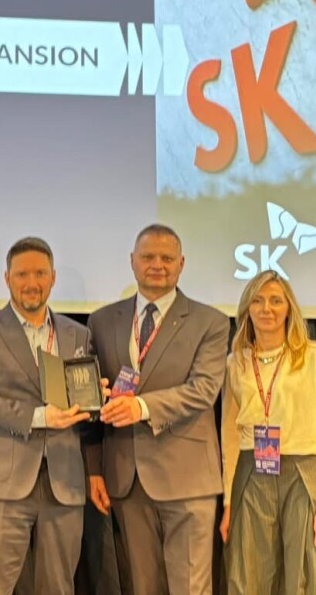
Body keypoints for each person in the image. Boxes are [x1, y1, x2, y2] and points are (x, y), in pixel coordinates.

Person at [85, 223, 229, 595]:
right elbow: (90, 401)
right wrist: (94, 468)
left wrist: (142, 407)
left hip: (187, 477)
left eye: (167, 258)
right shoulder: (101, 321)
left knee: (191, 588)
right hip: (125, 478)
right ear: (132, 261)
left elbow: (204, 390)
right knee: (141, 587)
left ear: (182, 264)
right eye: (148, 257)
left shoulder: (210, 322)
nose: (157, 265)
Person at [0, 237, 95, 595]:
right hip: (1, 480)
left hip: (63, 481)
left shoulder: (77, 334)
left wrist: (96, 401)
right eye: (22, 274)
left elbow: (80, 402)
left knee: (58, 588)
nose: (31, 282)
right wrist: (38, 417)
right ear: (7, 278)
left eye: (40, 274)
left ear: (53, 278)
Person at [220, 270, 316, 594]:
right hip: (252, 476)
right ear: (247, 308)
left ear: (289, 307)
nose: (267, 309)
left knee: (306, 578)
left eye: (276, 301)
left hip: (304, 477)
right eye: (258, 301)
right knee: (248, 577)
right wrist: (228, 503)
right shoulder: (235, 363)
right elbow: (230, 436)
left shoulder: (315, 358)